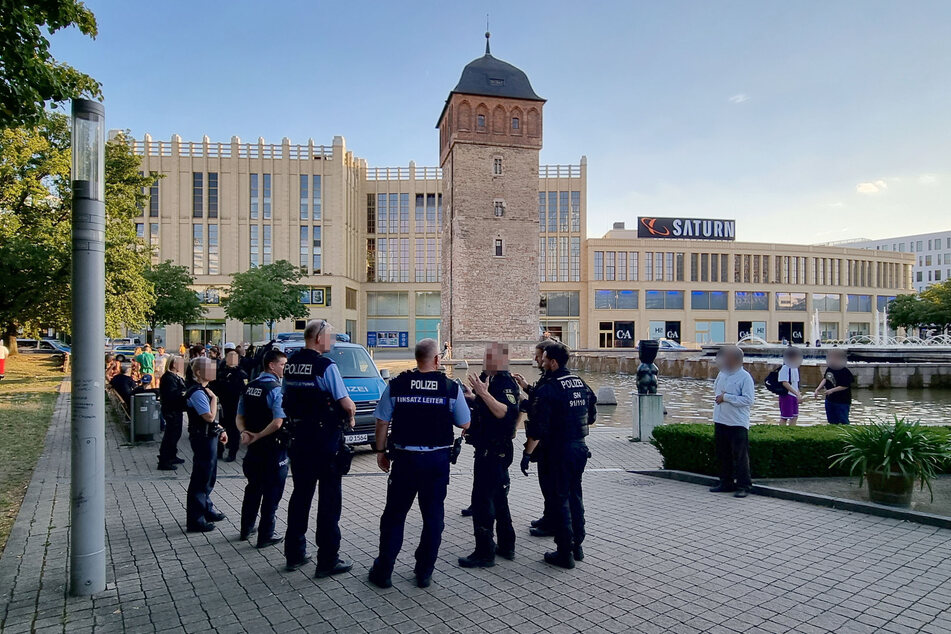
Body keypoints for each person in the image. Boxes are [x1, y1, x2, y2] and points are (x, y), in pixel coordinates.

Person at [368, 338, 471, 589]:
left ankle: (384, 571)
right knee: (433, 516)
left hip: (404, 460)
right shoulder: (450, 388)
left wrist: (381, 452)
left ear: (416, 358)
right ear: (437, 359)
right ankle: (424, 572)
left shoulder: (397, 384)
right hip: (436, 462)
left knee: (394, 516)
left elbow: (382, 422)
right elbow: (465, 424)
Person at [282, 320, 356, 577]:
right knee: (329, 500)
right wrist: (351, 416)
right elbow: (346, 403)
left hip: (299, 439)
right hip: (325, 441)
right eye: (330, 336)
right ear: (318, 338)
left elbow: (286, 398)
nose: (332, 341)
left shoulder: (290, 364)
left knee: (300, 496)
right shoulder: (326, 365)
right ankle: (327, 560)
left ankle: (294, 553)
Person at [522, 342, 596, 569]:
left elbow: (538, 428)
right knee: (575, 496)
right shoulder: (580, 383)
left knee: (560, 499)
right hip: (579, 448)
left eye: (543, 359)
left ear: (553, 362)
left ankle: (564, 552)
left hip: (559, 451)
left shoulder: (549, 389)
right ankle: (577, 546)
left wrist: (527, 453)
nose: (541, 362)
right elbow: (591, 416)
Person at [458, 343, 520, 568]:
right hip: (488, 447)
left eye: (489, 356)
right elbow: (486, 409)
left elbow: (506, 412)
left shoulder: (504, 382)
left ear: (500, 360)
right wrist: (472, 397)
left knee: (483, 500)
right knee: (499, 498)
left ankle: (484, 553)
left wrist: (483, 393)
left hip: (495, 450)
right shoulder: (490, 378)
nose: (485, 359)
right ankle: (506, 545)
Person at [237, 348, 289, 548]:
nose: (285, 368)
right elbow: (278, 422)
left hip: (253, 449)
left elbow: (239, 416)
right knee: (272, 492)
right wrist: (258, 435)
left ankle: (246, 528)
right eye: (283, 364)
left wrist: (245, 433)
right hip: (272, 449)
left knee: (253, 488)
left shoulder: (250, 386)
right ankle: (266, 535)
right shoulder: (276, 389)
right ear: (271, 365)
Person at [513, 339, 555, 536]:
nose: (536, 360)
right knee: (548, 486)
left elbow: (539, 416)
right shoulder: (549, 380)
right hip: (558, 444)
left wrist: (527, 454)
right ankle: (549, 517)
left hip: (551, 445)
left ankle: (556, 529)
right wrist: (526, 386)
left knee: (553, 487)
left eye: (539, 357)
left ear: (549, 358)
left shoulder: (550, 384)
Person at [184, 357, 228, 533]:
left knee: (209, 476)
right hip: (201, 438)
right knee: (201, 478)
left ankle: (206, 509)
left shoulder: (204, 390)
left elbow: (212, 422)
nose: (214, 371)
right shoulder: (197, 392)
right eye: (210, 369)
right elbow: (208, 417)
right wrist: (215, 400)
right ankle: (196, 520)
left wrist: (220, 429)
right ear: (199, 373)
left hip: (208, 436)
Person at [709, 345, 755, 498]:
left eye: (727, 358)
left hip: (737, 422)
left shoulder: (745, 377)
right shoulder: (722, 373)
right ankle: (725, 482)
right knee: (723, 453)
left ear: (736, 359)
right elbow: (717, 391)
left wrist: (726, 397)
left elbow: (748, 400)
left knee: (740, 456)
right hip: (721, 419)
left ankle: (744, 485)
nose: (724, 360)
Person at [213, 350, 248, 462]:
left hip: (235, 406)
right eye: (230, 356)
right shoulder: (220, 372)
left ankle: (232, 453)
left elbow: (244, 391)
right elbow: (214, 387)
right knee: (219, 428)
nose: (232, 358)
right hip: (221, 405)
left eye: (234, 356)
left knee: (233, 431)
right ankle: (219, 451)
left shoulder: (241, 373)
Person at [158, 356, 188, 470]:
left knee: (176, 434)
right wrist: (183, 393)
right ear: (174, 364)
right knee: (171, 435)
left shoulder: (174, 377)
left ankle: (172, 455)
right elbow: (171, 395)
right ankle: (164, 460)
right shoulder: (168, 378)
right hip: (171, 410)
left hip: (176, 409)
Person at [814, 348, 853, 425]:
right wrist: (818, 389)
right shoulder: (830, 368)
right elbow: (825, 379)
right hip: (830, 400)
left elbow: (845, 385)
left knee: (843, 420)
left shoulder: (845, 371)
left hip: (842, 401)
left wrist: (832, 390)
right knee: (831, 421)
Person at [778, 346, 804, 426]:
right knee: (784, 417)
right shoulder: (785, 368)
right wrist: (796, 394)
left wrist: (798, 395)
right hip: (787, 395)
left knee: (794, 416)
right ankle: (782, 433)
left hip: (794, 395)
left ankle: (791, 431)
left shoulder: (795, 368)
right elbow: (785, 383)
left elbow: (795, 383)